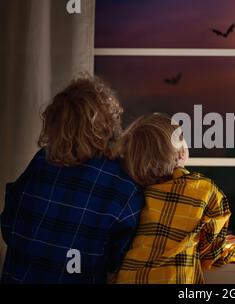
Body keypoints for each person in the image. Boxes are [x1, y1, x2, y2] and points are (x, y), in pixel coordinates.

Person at [1, 76, 144, 284]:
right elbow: (120, 263)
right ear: (108, 123)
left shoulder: (43, 160)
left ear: (55, 122)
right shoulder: (122, 185)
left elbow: (8, 225)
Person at [114, 114, 235, 284]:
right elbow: (211, 255)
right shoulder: (204, 190)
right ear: (180, 153)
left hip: (129, 278)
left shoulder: (133, 191)